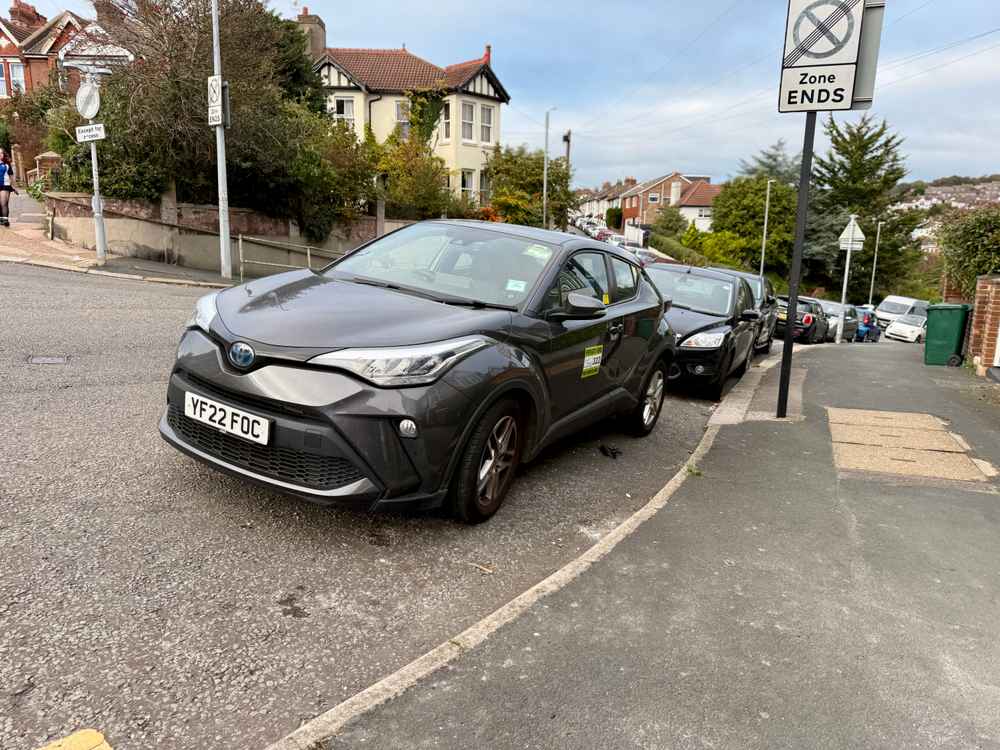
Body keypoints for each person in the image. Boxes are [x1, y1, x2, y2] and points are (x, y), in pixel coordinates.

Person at [0, 147, 16, 227]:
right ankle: (1, 219)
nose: (0, 155)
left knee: (4, 203)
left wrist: (14, 186)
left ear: (3, 154)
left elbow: (11, 176)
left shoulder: (6, 164)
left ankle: (5, 220)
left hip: (5, 186)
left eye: (1, 153)